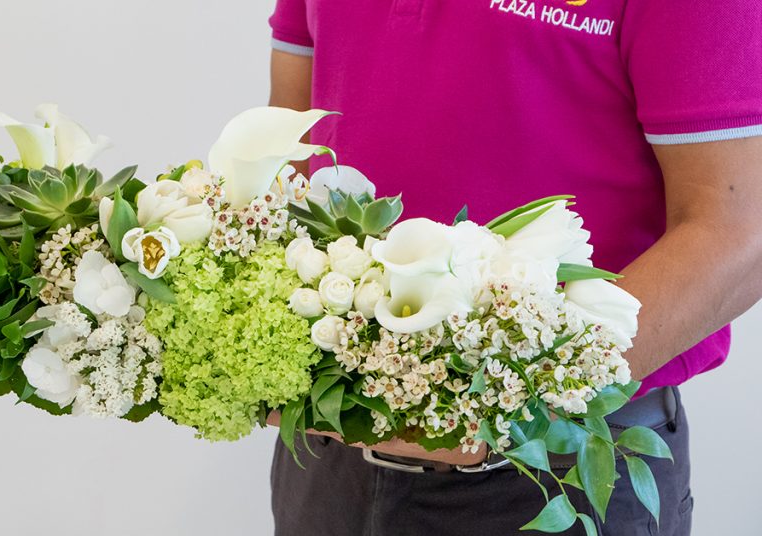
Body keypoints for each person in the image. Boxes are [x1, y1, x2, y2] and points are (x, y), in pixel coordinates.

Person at [266, 1, 762, 535]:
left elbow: (740, 230)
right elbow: (287, 145)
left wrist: (501, 406)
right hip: (328, 458)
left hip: (556, 464)